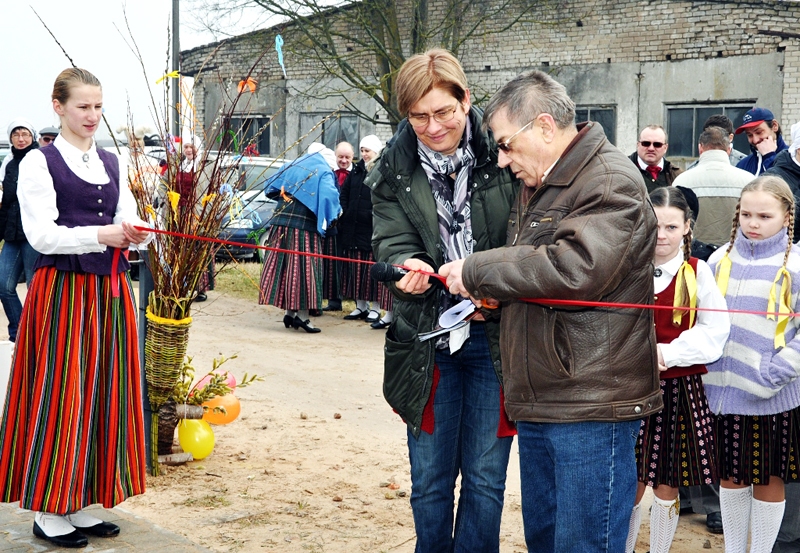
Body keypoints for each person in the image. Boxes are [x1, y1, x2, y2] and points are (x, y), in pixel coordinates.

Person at [439, 69, 663, 552]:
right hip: (545, 396)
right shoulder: (544, 181)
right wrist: (496, 300)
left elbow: (574, 269)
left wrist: (477, 271)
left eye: (505, 145)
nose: (501, 161)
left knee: (583, 544)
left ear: (543, 127)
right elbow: (537, 273)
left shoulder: (609, 181)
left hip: (591, 403)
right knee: (546, 540)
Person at [368, 49, 518, 551]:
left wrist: (494, 282)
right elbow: (389, 240)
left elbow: (527, 239)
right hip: (427, 339)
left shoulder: (505, 153)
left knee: (484, 480)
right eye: (418, 116)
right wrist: (405, 266)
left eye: (444, 112)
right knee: (430, 482)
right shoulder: (392, 167)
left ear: (465, 100)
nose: (433, 127)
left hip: (496, 340)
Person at [0, 67, 150, 548]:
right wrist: (100, 235)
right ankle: (48, 509)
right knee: (62, 393)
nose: (92, 116)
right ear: (58, 106)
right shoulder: (38, 163)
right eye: (83, 106)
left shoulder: (111, 160)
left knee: (103, 393)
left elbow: (123, 213)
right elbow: (41, 235)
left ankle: (80, 502)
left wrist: (135, 229)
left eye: (98, 107)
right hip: (62, 293)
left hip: (107, 293)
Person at [625, 186, 730, 553]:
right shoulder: (626, 266)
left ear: (687, 227)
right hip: (627, 387)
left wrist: (666, 353)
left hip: (677, 388)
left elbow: (716, 330)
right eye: (654, 227)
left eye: (671, 227)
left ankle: (658, 549)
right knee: (629, 480)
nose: (661, 236)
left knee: (667, 483)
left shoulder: (697, 272)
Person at [706, 175, 800, 553]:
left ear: (786, 216)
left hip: (770, 394)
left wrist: (775, 373)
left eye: (764, 215)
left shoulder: (794, 264)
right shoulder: (718, 260)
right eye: (746, 214)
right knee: (730, 478)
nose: (753, 223)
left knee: (767, 479)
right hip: (723, 396)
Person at [258, 143, 340, 333]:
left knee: (288, 267)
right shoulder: (324, 171)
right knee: (305, 269)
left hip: (280, 221)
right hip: (304, 226)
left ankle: (290, 314)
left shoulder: (293, 164)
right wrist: (332, 217)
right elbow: (329, 197)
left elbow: (270, 186)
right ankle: (303, 318)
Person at [338, 135, 393, 327]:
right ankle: (360, 305)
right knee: (355, 270)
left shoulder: (380, 170)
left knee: (371, 272)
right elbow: (344, 194)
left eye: (367, 150)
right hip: (353, 229)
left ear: (375, 151)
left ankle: (375, 308)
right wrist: (344, 212)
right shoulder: (356, 171)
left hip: (371, 229)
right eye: (361, 150)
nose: (363, 154)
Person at [672, 126, 754, 247]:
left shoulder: (682, 181)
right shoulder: (750, 181)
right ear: (729, 150)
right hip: (735, 256)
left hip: (692, 257)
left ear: (700, 148)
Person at [0, 120, 40, 342]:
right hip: (12, 234)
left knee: (36, 287)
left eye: (25, 134)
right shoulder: (9, 163)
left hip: (35, 236)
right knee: (3, 285)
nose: (21, 138)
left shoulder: (42, 160)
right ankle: (18, 329)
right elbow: (6, 203)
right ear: (11, 138)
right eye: (16, 134)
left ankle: (35, 333)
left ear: (32, 136)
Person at [318, 141, 353, 315]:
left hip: (349, 226)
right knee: (331, 262)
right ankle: (333, 299)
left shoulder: (355, 174)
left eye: (347, 157)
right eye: (340, 157)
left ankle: (352, 298)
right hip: (331, 225)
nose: (344, 160)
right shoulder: (329, 172)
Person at [629, 124, 682, 193]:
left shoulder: (677, 175)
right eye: (646, 143)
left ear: (665, 148)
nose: (651, 148)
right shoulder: (622, 169)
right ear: (638, 145)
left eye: (657, 144)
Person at [735, 107, 788, 176]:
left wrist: (769, 156)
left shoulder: (794, 158)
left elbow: (785, 183)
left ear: (774, 126)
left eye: (759, 132)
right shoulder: (742, 165)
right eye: (750, 135)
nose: (755, 140)